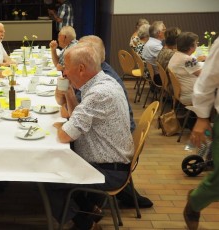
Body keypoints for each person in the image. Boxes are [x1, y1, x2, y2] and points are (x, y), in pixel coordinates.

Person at [47, 43, 134, 230]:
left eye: (66, 69)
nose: (64, 73)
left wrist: (53, 128)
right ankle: (90, 209)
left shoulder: (99, 93)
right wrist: (69, 91)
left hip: (109, 170)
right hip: (109, 161)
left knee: (47, 178)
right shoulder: (102, 82)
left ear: (80, 69)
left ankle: (86, 224)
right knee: (57, 165)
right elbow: (76, 114)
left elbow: (64, 135)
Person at [184, 39, 219, 230]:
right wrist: (202, 116)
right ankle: (196, 201)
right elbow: (203, 77)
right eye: (196, 42)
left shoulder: (183, 57)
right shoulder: (186, 60)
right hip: (187, 95)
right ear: (191, 47)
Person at [168, 32, 203, 105]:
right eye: (196, 43)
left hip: (181, 92)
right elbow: (204, 75)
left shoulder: (177, 54)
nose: (197, 45)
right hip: (191, 95)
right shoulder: (188, 59)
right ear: (190, 47)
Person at [142, 21, 167, 85]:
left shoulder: (151, 42)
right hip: (159, 77)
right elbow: (169, 59)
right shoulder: (155, 46)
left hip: (154, 74)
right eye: (164, 29)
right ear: (159, 33)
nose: (166, 31)